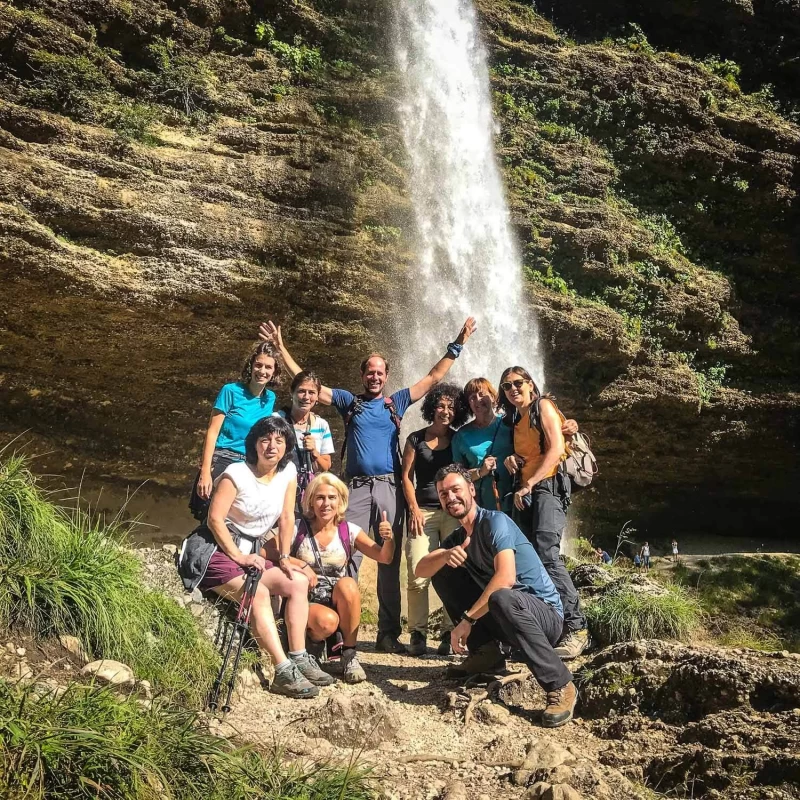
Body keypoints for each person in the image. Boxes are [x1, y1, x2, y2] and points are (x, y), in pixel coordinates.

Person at [258, 316, 477, 654]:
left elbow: (434, 378)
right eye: (369, 372)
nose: (374, 377)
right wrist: (282, 349)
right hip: (356, 488)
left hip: (389, 488)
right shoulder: (350, 401)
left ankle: (388, 633)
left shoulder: (397, 402)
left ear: (386, 377)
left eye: (380, 372)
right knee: (344, 555)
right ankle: (335, 632)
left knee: (388, 560)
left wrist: (458, 343)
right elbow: (309, 385)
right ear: (362, 376)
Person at [178, 416, 332, 698]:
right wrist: (238, 556)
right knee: (258, 591)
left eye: (279, 440)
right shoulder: (236, 473)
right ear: (255, 444)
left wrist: (284, 556)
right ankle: (282, 670)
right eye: (265, 440)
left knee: (297, 582)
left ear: (287, 446)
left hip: (251, 552)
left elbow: (287, 517)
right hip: (214, 549)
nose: (272, 446)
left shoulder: (288, 474)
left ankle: (298, 656)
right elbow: (214, 520)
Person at [416, 464, 577, 728]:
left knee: (501, 596)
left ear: (471, 490)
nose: (450, 497)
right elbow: (421, 569)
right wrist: (445, 555)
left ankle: (560, 683)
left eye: (456, 490)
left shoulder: (495, 522)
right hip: (506, 618)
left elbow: (506, 578)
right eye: (443, 494)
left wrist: (466, 620)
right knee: (442, 571)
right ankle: (487, 655)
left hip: (544, 618)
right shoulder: (459, 537)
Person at [499, 366, 589, 660]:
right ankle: (543, 628)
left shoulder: (543, 406)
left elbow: (555, 449)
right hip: (528, 491)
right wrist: (512, 461)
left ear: (530, 385)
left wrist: (530, 483)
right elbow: (529, 453)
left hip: (548, 486)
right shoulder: (516, 419)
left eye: (518, 383)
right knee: (529, 557)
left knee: (547, 552)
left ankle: (577, 628)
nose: (513, 389)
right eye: (507, 386)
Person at [271, 473, 395, 683]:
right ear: (310, 501)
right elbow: (267, 552)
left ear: (341, 501)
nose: (325, 503)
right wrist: (299, 564)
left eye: (331, 497)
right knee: (327, 622)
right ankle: (312, 645)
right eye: (319, 497)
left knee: (348, 584)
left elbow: (384, 557)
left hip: (336, 598)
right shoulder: (297, 529)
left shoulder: (350, 531)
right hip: (305, 598)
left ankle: (349, 655)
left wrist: (389, 539)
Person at [401, 382, 468, 656]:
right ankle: (417, 633)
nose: (445, 410)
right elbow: (406, 476)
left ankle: (449, 632)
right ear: (431, 408)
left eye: (451, 406)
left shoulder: (459, 439)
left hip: (453, 514)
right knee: (418, 571)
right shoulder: (415, 439)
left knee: (453, 571)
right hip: (424, 512)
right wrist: (414, 509)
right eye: (440, 405)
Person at [189, 342, 281, 520]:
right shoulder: (230, 391)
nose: (262, 371)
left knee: (235, 520)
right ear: (251, 366)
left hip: (248, 465)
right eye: (258, 365)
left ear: (274, 372)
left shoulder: (270, 398)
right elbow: (212, 432)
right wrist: (205, 472)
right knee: (210, 518)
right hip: (224, 459)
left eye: (268, 367)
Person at [451, 378, 515, 514]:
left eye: (482, 394)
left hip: (514, 500)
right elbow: (458, 476)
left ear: (493, 397)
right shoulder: (461, 436)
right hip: (481, 506)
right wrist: (481, 471)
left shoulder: (510, 424)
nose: (478, 399)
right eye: (472, 398)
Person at [277, 371, 334, 514]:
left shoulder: (321, 425)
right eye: (301, 391)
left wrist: (315, 453)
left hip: (308, 493)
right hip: (280, 491)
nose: (306, 397)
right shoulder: (277, 421)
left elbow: (326, 465)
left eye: (312, 392)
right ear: (292, 392)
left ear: (317, 397)